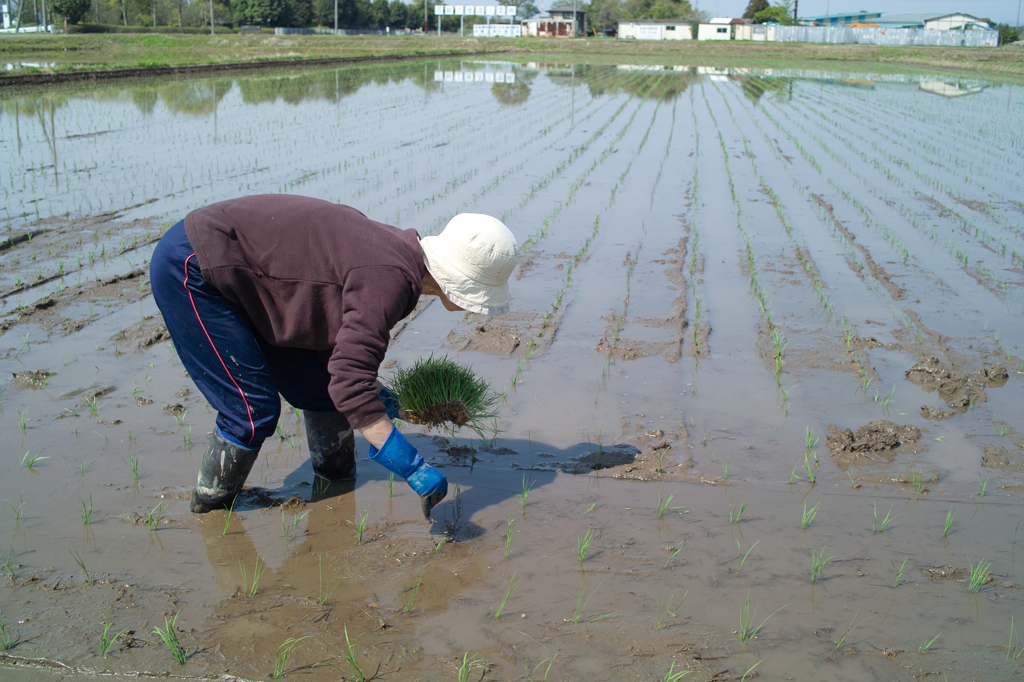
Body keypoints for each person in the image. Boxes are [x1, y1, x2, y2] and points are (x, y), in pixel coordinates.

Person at [149, 195, 520, 518]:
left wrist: (389, 402)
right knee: (250, 410)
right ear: (458, 281)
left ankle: (334, 489)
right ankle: (211, 514)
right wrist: (413, 466)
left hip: (249, 275)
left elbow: (337, 355)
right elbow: (350, 381)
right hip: (196, 265)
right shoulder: (389, 279)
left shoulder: (400, 257)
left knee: (319, 389)